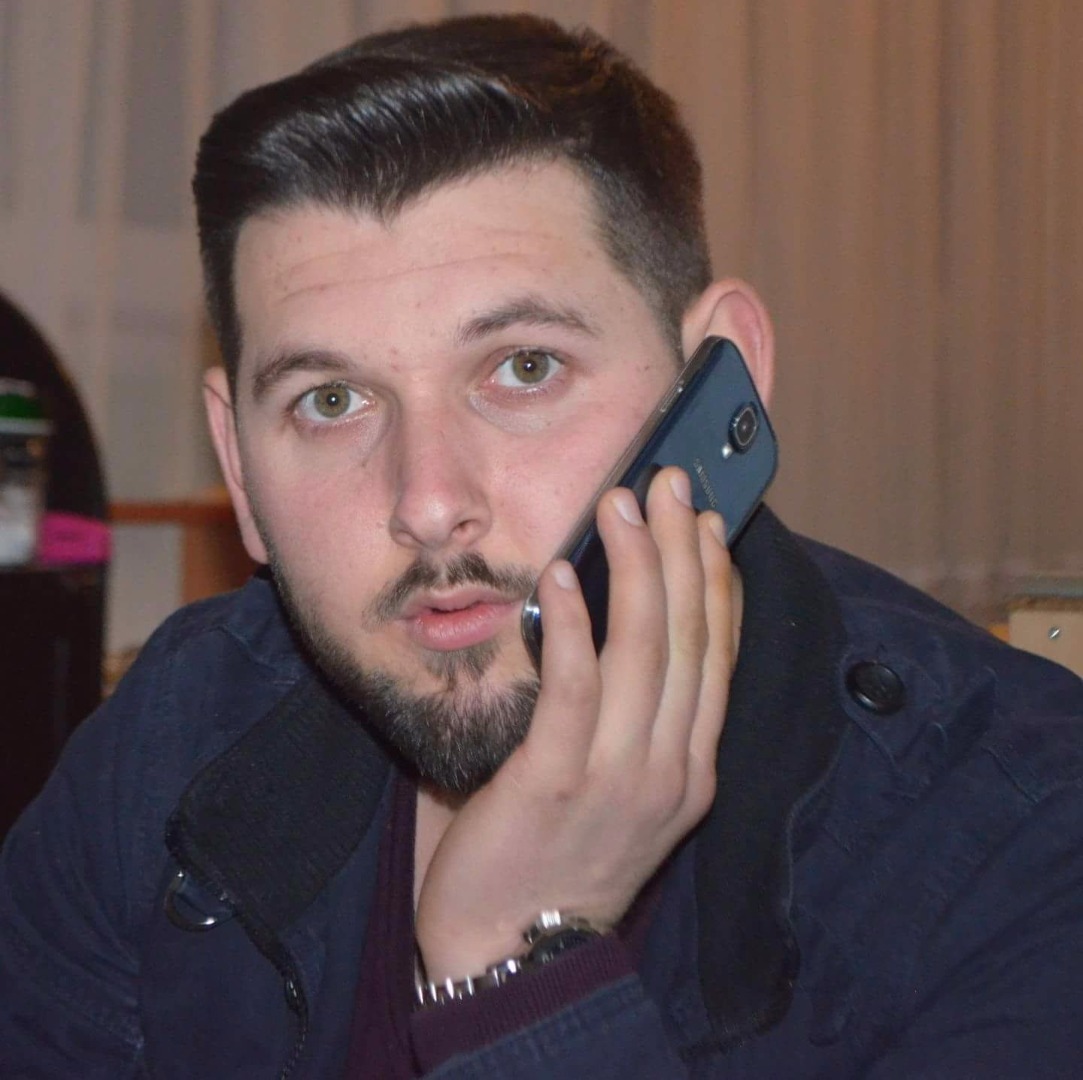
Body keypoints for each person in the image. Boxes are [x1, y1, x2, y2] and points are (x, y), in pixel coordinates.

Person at [2, 13, 1081, 1078]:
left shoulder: (1020, 836)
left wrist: (517, 967)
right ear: (240, 469)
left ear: (720, 375)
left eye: (525, 368)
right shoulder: (170, 746)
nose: (430, 502)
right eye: (331, 400)